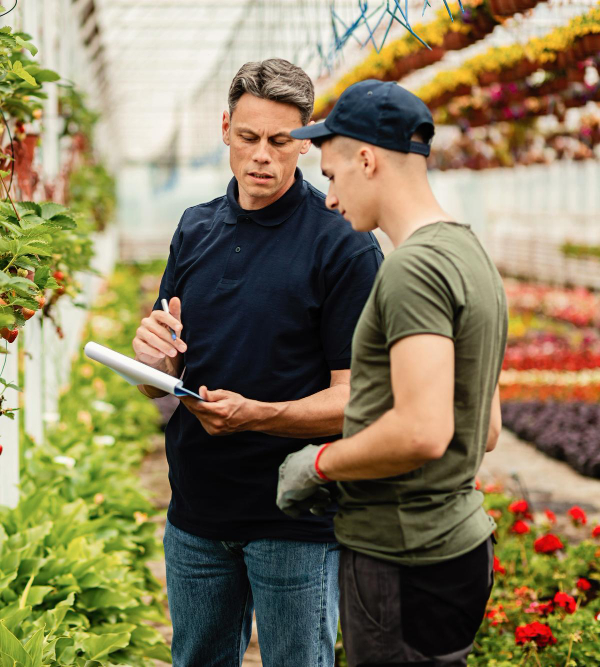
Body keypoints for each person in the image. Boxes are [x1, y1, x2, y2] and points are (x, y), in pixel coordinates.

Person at [131, 59, 383, 667]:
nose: (262, 156)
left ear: (307, 141)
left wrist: (258, 415)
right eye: (248, 137)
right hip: (196, 512)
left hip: (294, 518)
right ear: (225, 129)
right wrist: (152, 362)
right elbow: (163, 382)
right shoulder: (195, 229)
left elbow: (358, 399)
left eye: (281, 140)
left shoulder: (343, 241)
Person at [278, 79, 507, 666]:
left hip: (402, 556)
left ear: (367, 160)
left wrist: (319, 464)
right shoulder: (469, 254)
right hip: (455, 546)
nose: (330, 200)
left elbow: (422, 431)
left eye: (332, 177)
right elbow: (484, 430)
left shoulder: (412, 270)